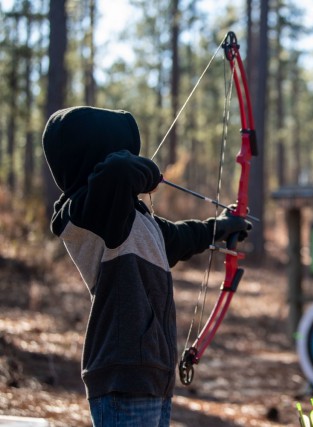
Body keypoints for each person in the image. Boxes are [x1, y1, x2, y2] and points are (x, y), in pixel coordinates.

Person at [42, 106, 251, 426]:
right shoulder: (90, 214)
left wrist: (221, 227)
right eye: (123, 147)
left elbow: (178, 238)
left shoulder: (134, 219)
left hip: (150, 372)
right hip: (123, 372)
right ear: (95, 155)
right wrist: (149, 171)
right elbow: (119, 171)